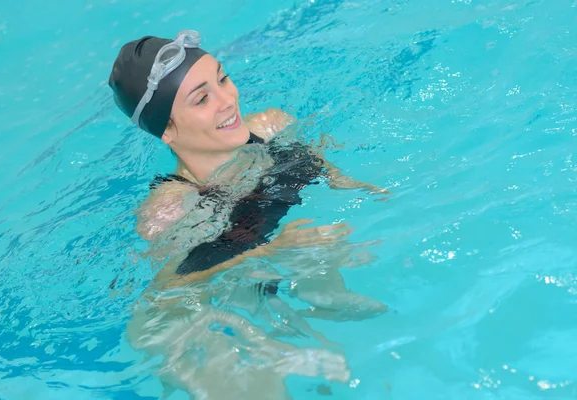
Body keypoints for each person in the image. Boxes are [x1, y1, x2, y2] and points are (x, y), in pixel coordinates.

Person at [109, 30, 388, 399]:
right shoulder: (169, 210)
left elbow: (317, 160)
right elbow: (172, 287)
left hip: (273, 270)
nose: (228, 100)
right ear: (168, 130)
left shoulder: (271, 126)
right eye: (202, 98)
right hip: (205, 313)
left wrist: (349, 183)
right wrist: (273, 251)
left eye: (223, 78)